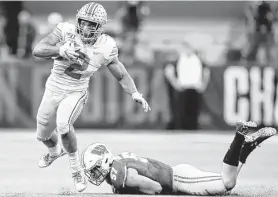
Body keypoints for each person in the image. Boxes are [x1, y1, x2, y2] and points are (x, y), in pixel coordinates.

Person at [32, 2, 151, 193]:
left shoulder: (106, 45)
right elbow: (38, 49)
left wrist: (135, 92)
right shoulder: (65, 30)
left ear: (100, 27)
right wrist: (60, 50)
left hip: (76, 91)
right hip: (53, 88)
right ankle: (55, 151)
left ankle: (75, 170)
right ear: (78, 21)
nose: (86, 28)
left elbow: (120, 74)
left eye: (92, 24)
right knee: (42, 135)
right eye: (84, 23)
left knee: (63, 125)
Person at [81, 120, 276, 195]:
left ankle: (239, 137)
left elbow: (156, 189)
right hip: (177, 176)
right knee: (225, 187)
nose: (95, 174)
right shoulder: (119, 164)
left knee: (227, 184)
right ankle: (246, 148)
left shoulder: (119, 173)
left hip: (180, 179)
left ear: (105, 160)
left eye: (96, 168)